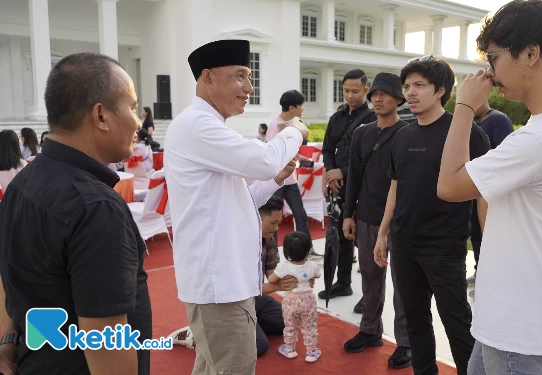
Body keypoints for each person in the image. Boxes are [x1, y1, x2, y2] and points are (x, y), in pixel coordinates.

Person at [437, 1, 542, 373]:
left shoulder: (541, 139)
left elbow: (448, 185)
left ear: (530, 53)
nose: (490, 71)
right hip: (525, 310)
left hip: (519, 324)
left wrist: (462, 107)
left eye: (493, 57)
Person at [0, 52, 152, 375]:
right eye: (132, 106)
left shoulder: (21, 184)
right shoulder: (97, 209)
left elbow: (7, 279)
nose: (139, 121)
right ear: (100, 116)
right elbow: (107, 348)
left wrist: (6, 344)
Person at [163, 39, 306, 375]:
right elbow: (265, 159)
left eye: (250, 77)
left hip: (228, 282)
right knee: (234, 367)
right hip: (219, 286)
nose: (249, 87)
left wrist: (277, 177)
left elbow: (243, 200)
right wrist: (294, 130)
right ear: (208, 78)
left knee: (215, 367)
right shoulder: (197, 125)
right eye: (240, 76)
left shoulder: (208, 126)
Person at [374, 56, 490, 375]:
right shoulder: (402, 136)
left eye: (419, 85)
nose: (410, 93)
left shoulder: (466, 132)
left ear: (441, 90)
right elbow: (395, 187)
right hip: (404, 245)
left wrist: (489, 248)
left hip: (444, 248)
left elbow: (482, 193)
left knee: (458, 325)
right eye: (407, 86)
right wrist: (383, 233)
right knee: (416, 323)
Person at [168, 197, 311, 357]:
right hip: (232, 302)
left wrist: (298, 274)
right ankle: (197, 335)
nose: (277, 228)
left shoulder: (268, 239)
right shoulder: (235, 244)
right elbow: (241, 288)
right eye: (273, 223)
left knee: (287, 320)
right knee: (259, 346)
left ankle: (241, 327)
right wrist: (277, 287)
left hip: (253, 299)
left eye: (279, 223)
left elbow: (272, 274)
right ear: (256, 217)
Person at [341, 72, 411, 368]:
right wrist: (348, 214)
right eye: (375, 94)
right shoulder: (362, 133)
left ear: (398, 98)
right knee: (370, 276)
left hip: (401, 221)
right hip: (368, 217)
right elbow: (354, 177)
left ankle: (406, 342)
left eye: (386, 94)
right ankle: (370, 330)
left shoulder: (409, 133)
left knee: (404, 283)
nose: (378, 99)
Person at [319, 69, 377, 310]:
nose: (350, 95)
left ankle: (370, 294)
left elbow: (371, 154)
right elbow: (326, 149)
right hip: (338, 187)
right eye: (346, 90)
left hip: (363, 188)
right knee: (339, 236)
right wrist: (331, 173)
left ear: (365, 91)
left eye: (355, 91)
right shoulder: (337, 117)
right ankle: (343, 282)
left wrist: (342, 171)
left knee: (364, 241)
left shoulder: (373, 118)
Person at [467, 101, 514, 294]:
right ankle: (481, 271)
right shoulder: (470, 121)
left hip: (491, 191)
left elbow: (506, 155)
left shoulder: (499, 121)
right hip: (472, 189)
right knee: (476, 234)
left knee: (491, 235)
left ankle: (496, 277)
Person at [266, 90, 317, 257]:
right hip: (278, 180)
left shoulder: (291, 123)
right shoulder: (276, 126)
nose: (303, 108)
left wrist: (301, 157)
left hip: (290, 180)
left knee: (300, 215)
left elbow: (288, 150)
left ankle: (307, 250)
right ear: (292, 107)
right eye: (301, 105)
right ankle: (273, 256)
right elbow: (276, 153)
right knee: (274, 218)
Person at [268, 232, 321, 363]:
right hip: (308, 300)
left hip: (290, 301)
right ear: (308, 251)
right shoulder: (312, 265)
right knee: (310, 326)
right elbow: (317, 275)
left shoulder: (283, 266)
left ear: (286, 251)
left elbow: (271, 279)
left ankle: (290, 349)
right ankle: (311, 352)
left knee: (290, 325)